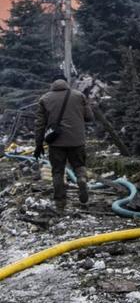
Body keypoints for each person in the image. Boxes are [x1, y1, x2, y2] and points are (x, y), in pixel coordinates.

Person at [33, 75, 93, 213]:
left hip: (56, 142)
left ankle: (60, 202)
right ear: (67, 82)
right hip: (77, 141)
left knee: (58, 171)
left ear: (52, 83)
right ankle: (82, 180)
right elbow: (89, 117)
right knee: (79, 165)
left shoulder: (44, 99)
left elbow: (40, 124)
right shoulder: (79, 96)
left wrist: (38, 145)